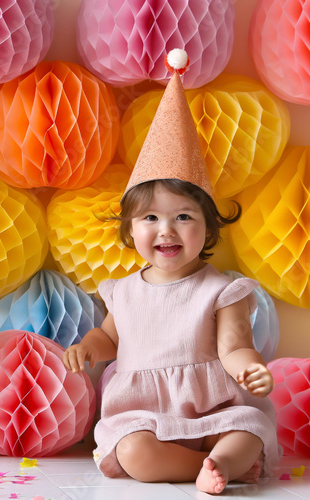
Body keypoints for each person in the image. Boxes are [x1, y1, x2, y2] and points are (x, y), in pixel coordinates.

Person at [62, 49, 280, 495]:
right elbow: (111, 337)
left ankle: (220, 458)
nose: (167, 230)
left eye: (183, 217)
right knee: (132, 453)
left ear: (207, 227)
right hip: (143, 415)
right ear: (129, 229)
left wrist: (250, 368)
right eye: (150, 219)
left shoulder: (221, 290)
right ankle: (212, 467)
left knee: (247, 429)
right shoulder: (122, 291)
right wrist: (88, 347)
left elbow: (234, 346)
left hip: (210, 411)